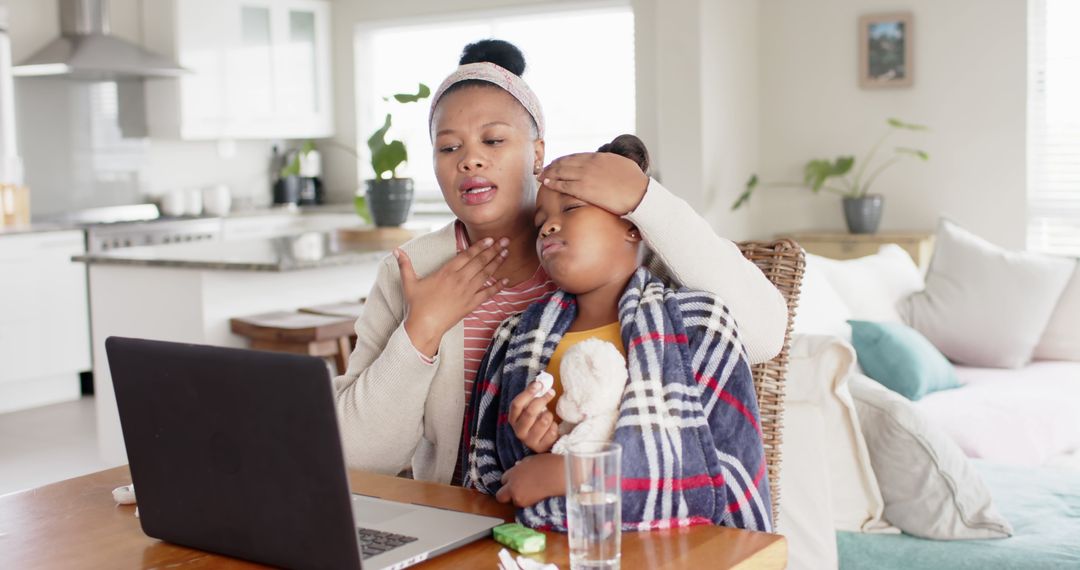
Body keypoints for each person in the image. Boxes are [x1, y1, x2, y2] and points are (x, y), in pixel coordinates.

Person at [332, 40, 786, 486]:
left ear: (536, 153)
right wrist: (421, 332)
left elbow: (763, 335)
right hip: (459, 521)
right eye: (448, 148)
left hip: (608, 512)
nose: (470, 159)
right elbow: (358, 459)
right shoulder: (410, 269)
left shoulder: (607, 246)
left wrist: (645, 200)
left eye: (493, 139)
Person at [463, 135, 772, 532]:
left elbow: (718, 476)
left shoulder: (697, 326)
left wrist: (574, 475)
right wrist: (536, 441)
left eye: (571, 208)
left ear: (633, 227)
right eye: (540, 222)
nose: (549, 226)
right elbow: (496, 479)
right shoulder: (514, 338)